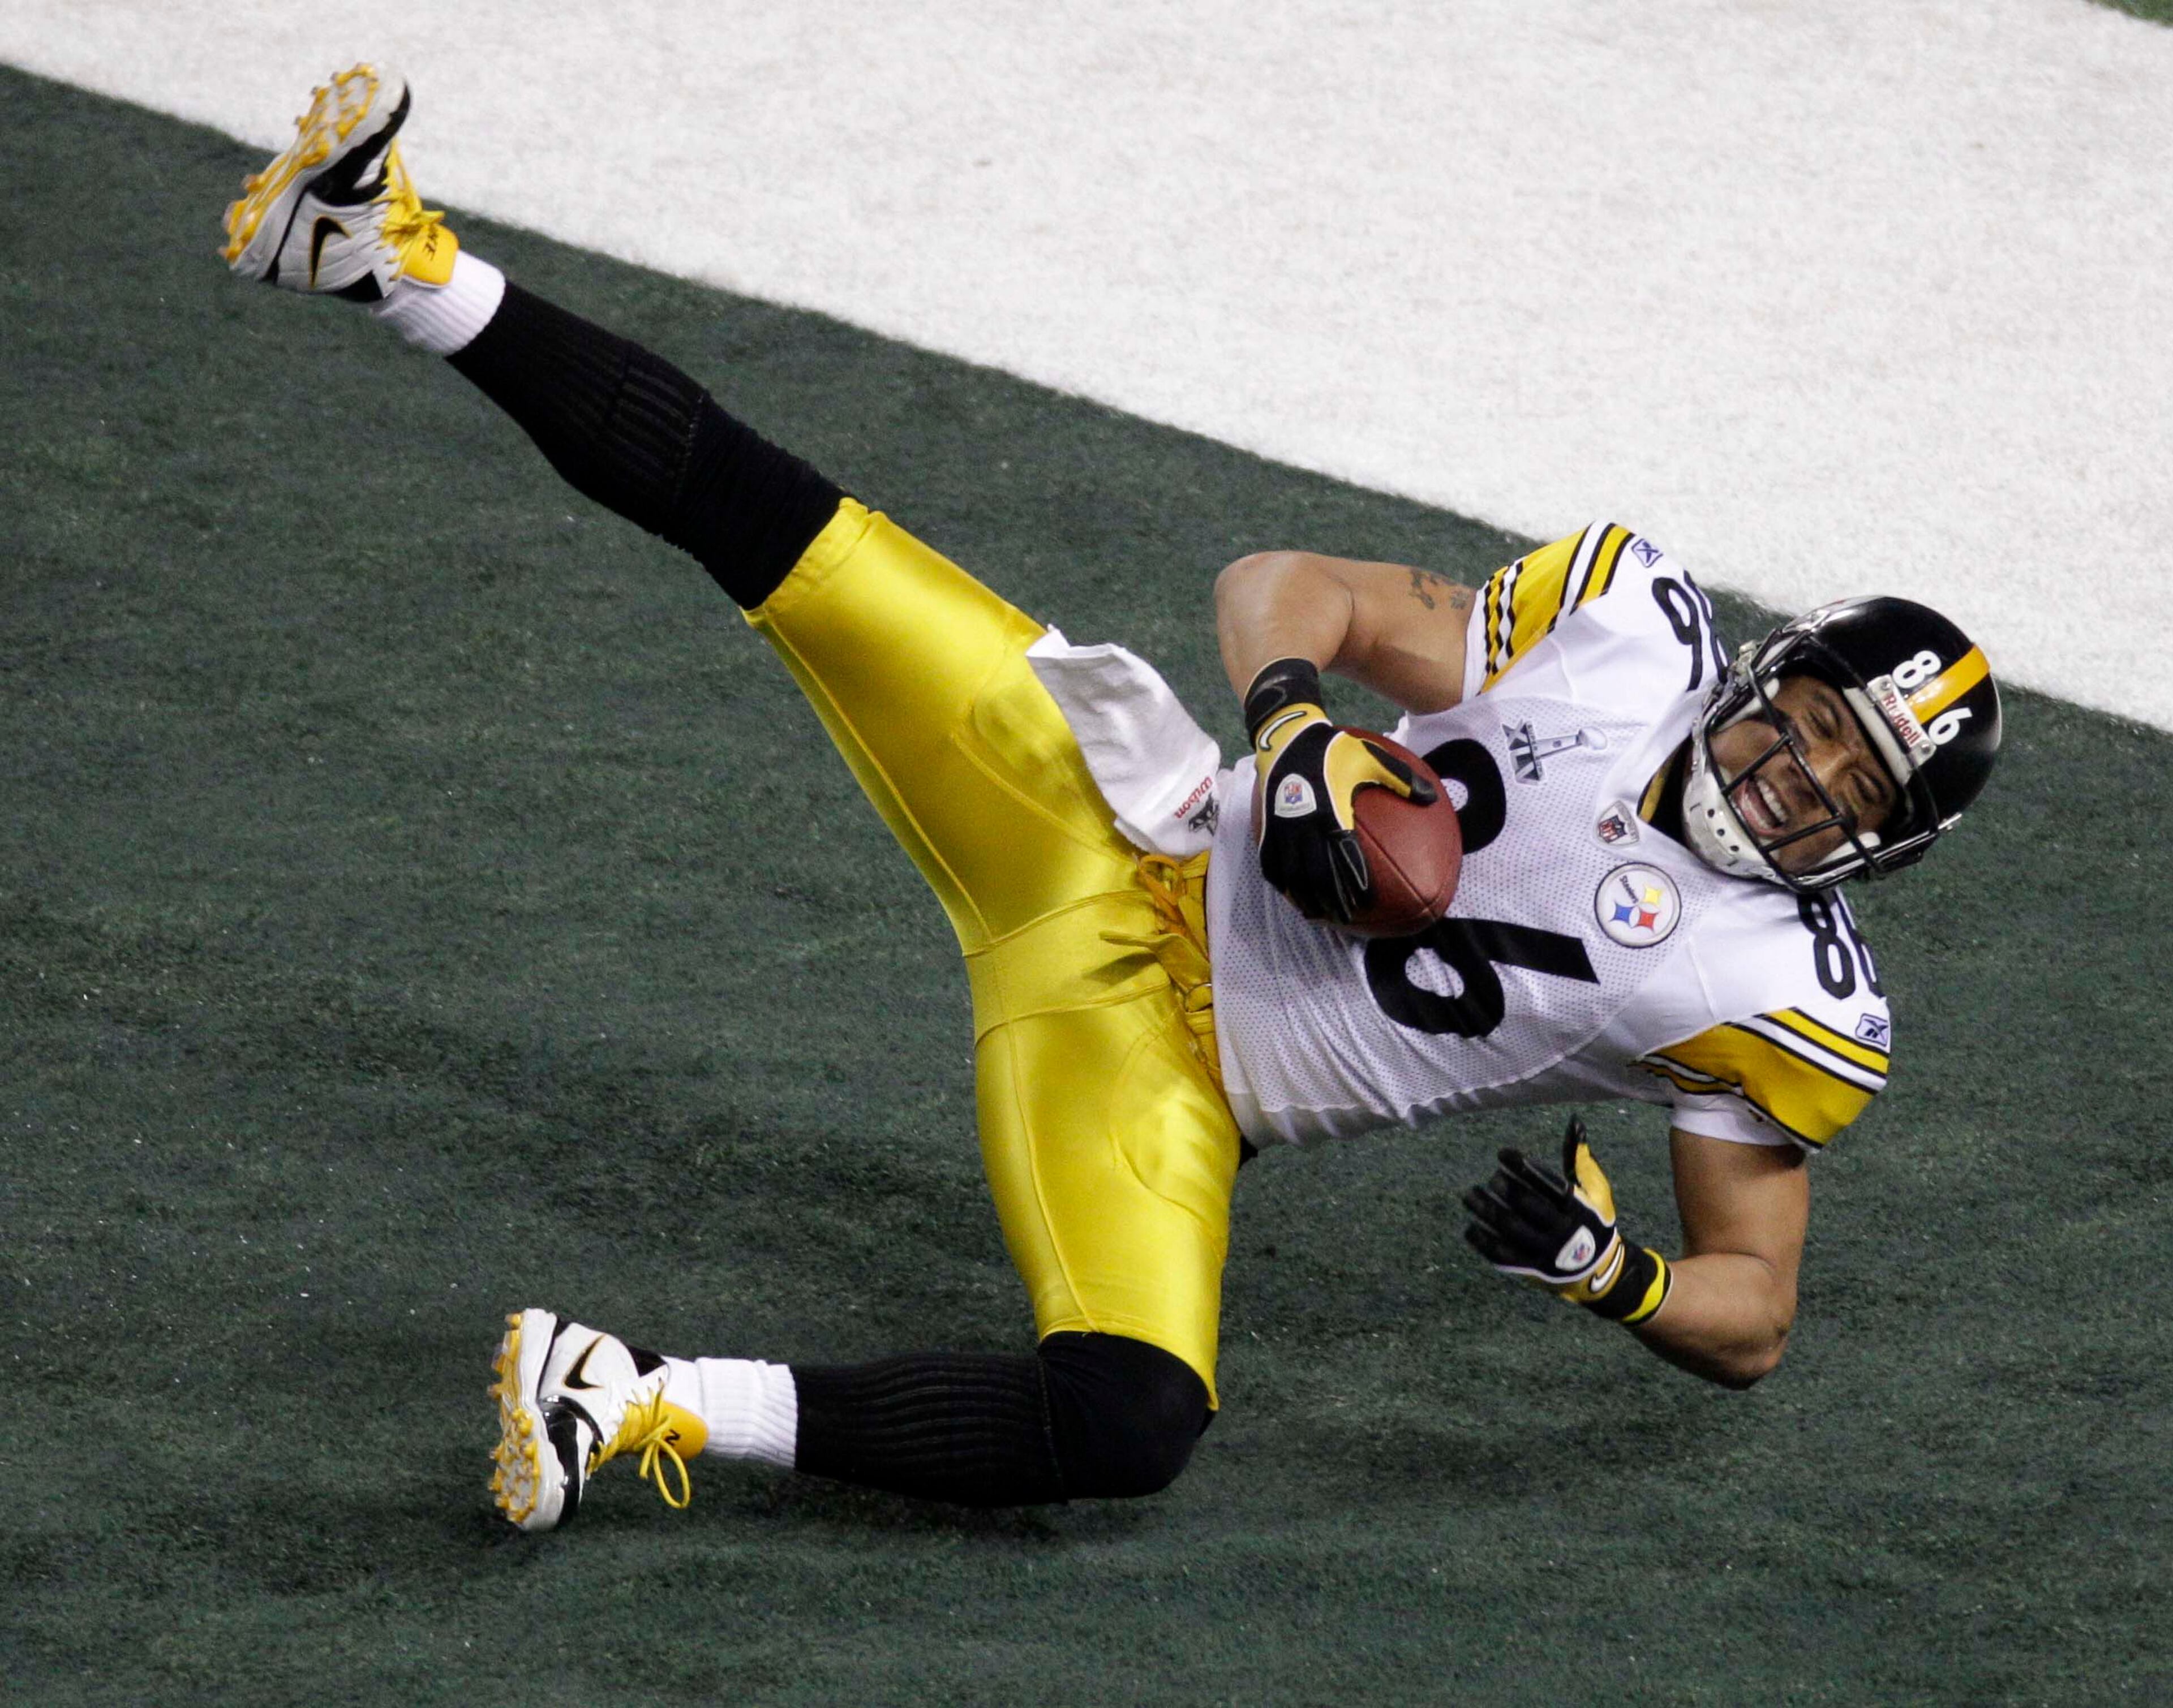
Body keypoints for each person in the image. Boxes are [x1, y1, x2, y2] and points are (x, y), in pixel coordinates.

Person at [220, 66, 2003, 1533]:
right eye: (1824, 722)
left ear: (1890, 845)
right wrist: (1298, 724)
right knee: (789, 532)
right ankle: (385, 254)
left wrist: (1622, 1281)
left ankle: (636, 1396)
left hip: (1163, 1079)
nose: (1808, 780)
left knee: (1133, 1419)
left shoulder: (1789, 998)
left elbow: (1754, 1311)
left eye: (1862, 784)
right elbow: (1292, 579)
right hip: (1110, 819)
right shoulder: (1626, 633)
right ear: (1774, 667)